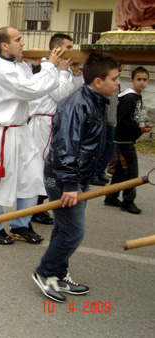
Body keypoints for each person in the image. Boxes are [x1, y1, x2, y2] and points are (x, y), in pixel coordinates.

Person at [33, 53, 120, 303]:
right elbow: (65, 147)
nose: (117, 83)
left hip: (77, 177)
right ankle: (44, 272)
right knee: (74, 232)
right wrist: (71, 184)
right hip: (63, 179)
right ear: (97, 81)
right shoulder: (76, 104)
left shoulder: (95, 100)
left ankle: (58, 274)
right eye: (113, 78)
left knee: (63, 228)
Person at [0, 26, 63, 245]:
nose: (23, 43)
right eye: (18, 40)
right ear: (5, 45)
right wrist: (49, 66)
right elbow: (30, 89)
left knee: (31, 178)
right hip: (2, 132)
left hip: (21, 130)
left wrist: (39, 66)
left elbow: (33, 83)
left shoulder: (17, 65)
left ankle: (20, 224)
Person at [28, 33, 84, 225]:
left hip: (53, 121)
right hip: (43, 122)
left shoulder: (61, 69)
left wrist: (74, 73)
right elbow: (61, 94)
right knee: (42, 165)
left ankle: (40, 204)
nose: (72, 51)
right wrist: (63, 70)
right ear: (57, 49)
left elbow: (74, 92)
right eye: (68, 47)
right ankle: (36, 207)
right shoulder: (47, 68)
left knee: (49, 165)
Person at [104, 66, 152, 214]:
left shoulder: (137, 96)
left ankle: (111, 196)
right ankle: (128, 201)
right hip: (124, 141)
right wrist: (139, 130)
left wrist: (139, 130)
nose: (142, 83)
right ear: (132, 80)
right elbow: (123, 121)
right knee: (131, 172)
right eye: (139, 79)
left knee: (120, 170)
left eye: (145, 80)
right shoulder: (129, 98)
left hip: (128, 140)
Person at [90, 64, 122, 186]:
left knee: (108, 148)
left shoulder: (115, 83)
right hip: (105, 119)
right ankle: (94, 174)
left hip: (112, 120)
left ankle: (99, 171)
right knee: (99, 147)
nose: (117, 83)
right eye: (114, 80)